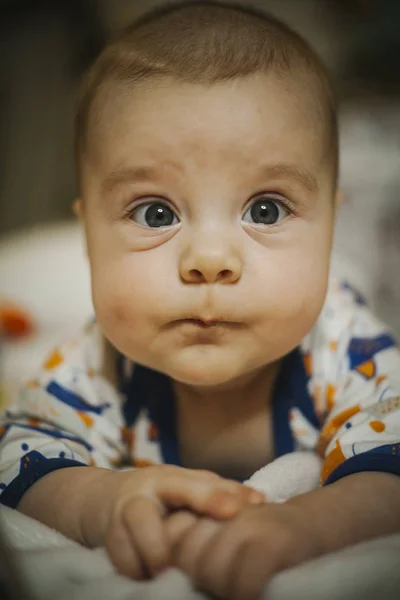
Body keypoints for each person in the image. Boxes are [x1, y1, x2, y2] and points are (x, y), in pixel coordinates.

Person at [1, 2, 400, 599]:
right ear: (87, 240)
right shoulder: (101, 363)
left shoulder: (345, 343)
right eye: (154, 213)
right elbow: (17, 452)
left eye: (266, 209)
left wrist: (307, 524)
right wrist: (99, 500)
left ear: (330, 229)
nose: (210, 259)